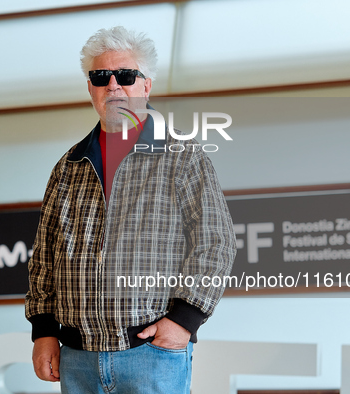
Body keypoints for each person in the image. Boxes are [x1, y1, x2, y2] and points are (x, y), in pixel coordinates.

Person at [25, 26, 236, 393]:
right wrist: (43, 332)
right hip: (77, 358)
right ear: (90, 87)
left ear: (146, 86)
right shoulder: (68, 166)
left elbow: (216, 244)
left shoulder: (183, 156)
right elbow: (44, 258)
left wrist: (185, 321)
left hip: (152, 355)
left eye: (125, 75)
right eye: (100, 76)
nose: (113, 85)